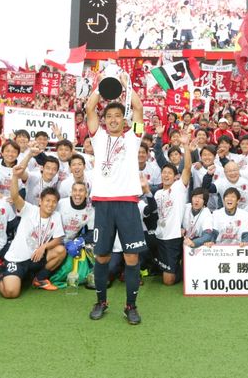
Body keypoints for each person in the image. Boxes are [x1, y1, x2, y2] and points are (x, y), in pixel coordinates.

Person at [86, 72, 147, 325]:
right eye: (108, 116)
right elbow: (89, 107)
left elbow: (139, 107)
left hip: (128, 204)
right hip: (103, 204)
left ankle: (130, 306)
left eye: (117, 116)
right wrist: (104, 87)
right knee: (101, 257)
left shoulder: (134, 137)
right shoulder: (97, 137)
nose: (112, 119)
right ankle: (101, 301)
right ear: (104, 120)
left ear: (124, 120)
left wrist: (125, 86)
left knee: (131, 258)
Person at [0, 165, 66, 298]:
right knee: (11, 293)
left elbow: (58, 239)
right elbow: (15, 196)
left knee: (60, 250)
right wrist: (15, 177)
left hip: (36, 258)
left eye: (54, 202)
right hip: (17, 259)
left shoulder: (56, 216)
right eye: (47, 201)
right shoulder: (29, 209)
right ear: (40, 201)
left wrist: (44, 247)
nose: (50, 204)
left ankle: (39, 279)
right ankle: (0, 278)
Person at [153, 133, 193, 285]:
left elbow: (187, 168)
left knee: (168, 281)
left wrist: (186, 147)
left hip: (172, 237)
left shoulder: (179, 187)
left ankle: (183, 268)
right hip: (159, 236)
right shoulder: (157, 193)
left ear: (175, 176)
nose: (166, 175)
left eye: (170, 173)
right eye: (164, 173)